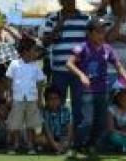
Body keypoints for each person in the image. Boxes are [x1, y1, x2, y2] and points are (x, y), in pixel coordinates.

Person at [66, 17, 126, 158]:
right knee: (87, 121)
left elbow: (119, 66)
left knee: (101, 121)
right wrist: (81, 76)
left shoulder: (107, 49)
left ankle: (90, 146)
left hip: (103, 90)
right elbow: (69, 63)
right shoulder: (82, 47)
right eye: (98, 31)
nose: (102, 34)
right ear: (90, 33)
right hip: (87, 91)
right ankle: (76, 146)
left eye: (104, 31)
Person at [41, 0, 90, 131]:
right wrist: (60, 24)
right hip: (58, 70)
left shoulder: (85, 19)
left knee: (79, 105)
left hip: (78, 71)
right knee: (56, 105)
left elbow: (90, 43)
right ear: (61, 2)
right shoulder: (52, 18)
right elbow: (44, 42)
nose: (70, 2)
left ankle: (77, 138)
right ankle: (57, 135)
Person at [5, 39, 46, 154]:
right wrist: (9, 95)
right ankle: (14, 145)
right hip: (17, 98)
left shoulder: (36, 66)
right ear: (26, 51)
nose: (36, 53)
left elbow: (40, 82)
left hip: (31, 99)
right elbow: (9, 79)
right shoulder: (14, 64)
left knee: (31, 123)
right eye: (34, 51)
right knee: (15, 123)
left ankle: (30, 145)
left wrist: (40, 97)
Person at [39, 85, 74, 153]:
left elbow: (70, 129)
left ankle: (60, 147)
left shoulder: (66, 111)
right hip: (49, 137)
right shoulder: (44, 112)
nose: (53, 101)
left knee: (68, 141)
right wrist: (54, 144)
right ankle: (54, 147)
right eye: (50, 99)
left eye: (56, 98)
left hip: (62, 137)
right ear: (46, 101)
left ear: (60, 99)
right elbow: (47, 130)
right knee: (39, 139)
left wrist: (67, 142)